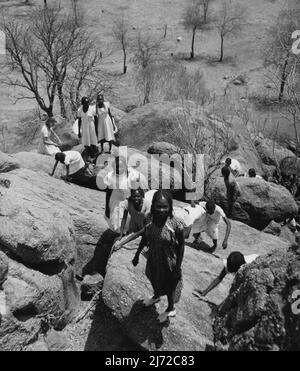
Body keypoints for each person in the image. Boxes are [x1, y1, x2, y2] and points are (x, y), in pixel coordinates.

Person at [114, 190, 185, 323]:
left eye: (165, 207)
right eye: (159, 206)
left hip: (169, 260)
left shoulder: (175, 223)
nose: (162, 210)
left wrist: (177, 267)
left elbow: (181, 245)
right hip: (153, 257)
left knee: (169, 285)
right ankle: (156, 296)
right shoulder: (149, 218)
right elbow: (145, 236)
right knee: (153, 277)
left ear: (170, 207)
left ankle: (170, 308)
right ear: (153, 206)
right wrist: (136, 255)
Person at [104, 156, 148, 233]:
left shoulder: (133, 176)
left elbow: (140, 191)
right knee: (116, 218)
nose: (119, 169)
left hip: (132, 196)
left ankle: (129, 230)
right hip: (117, 196)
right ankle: (120, 232)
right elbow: (109, 192)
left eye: (121, 167)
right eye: (117, 167)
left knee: (131, 217)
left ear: (125, 166)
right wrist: (107, 208)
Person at [195, 252, 259, 297]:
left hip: (258, 269)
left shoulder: (248, 271)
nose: (227, 270)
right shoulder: (231, 262)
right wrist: (205, 292)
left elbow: (235, 292)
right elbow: (220, 277)